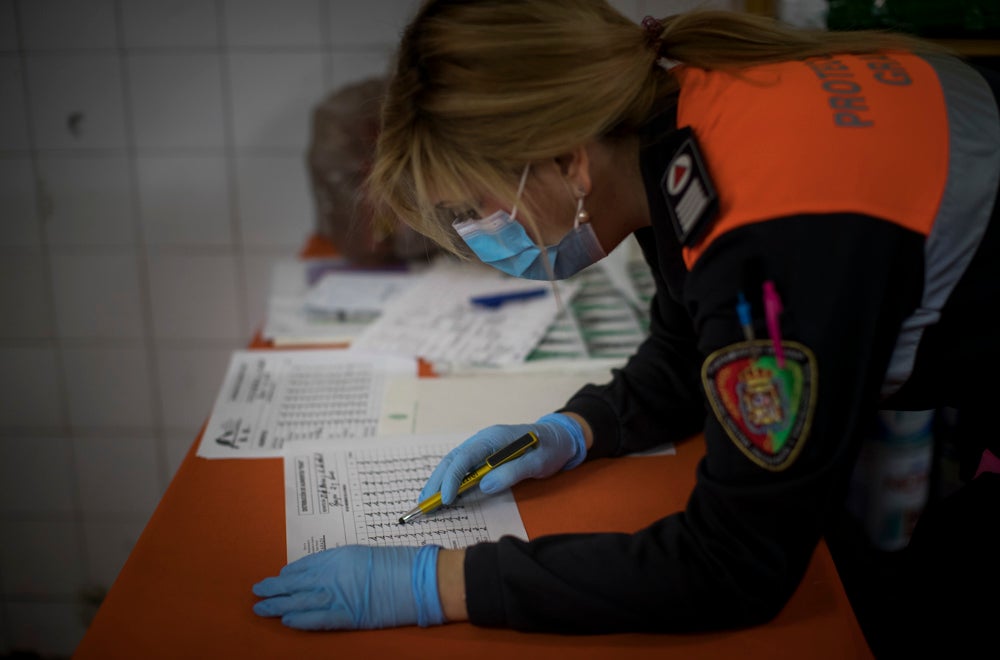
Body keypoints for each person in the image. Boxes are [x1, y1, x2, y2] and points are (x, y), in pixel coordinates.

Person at [252, 1, 1000, 655]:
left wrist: (436, 583)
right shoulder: (680, 103)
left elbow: (733, 566)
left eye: (473, 210)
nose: (478, 237)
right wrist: (573, 430)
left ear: (568, 162)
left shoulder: (767, 238)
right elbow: (692, 344)